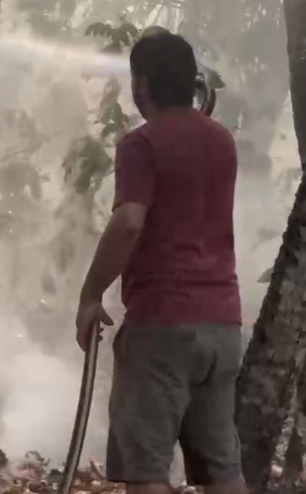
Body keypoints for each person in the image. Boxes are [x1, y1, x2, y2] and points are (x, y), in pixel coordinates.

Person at [74, 30, 248, 494]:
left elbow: (129, 222)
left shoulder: (140, 146)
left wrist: (91, 294)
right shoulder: (222, 142)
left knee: (146, 472)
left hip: (162, 330)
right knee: (223, 472)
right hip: (223, 328)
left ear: (141, 84)